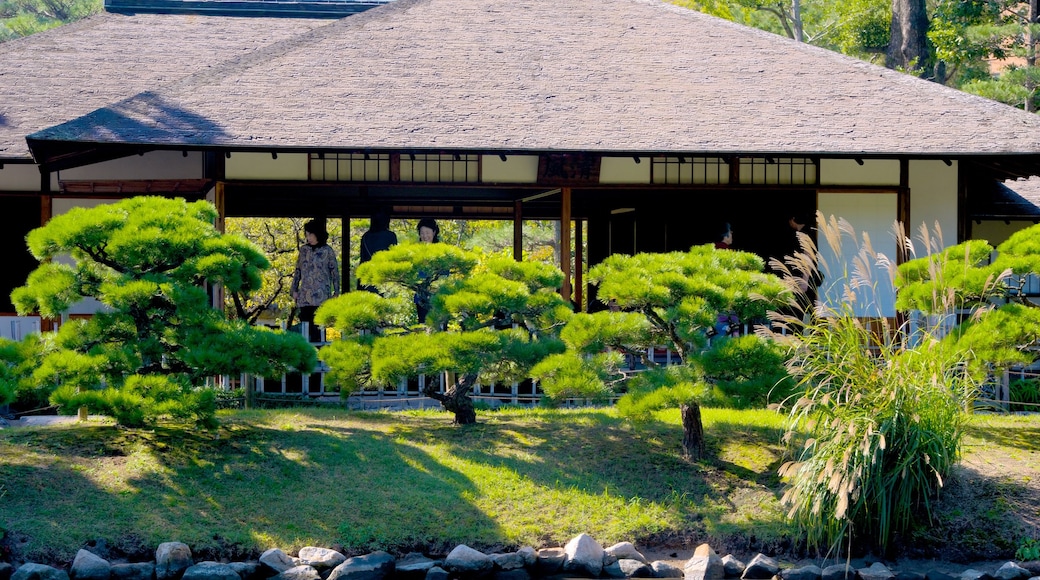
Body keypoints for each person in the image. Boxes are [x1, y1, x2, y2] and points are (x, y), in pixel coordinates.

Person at [291, 218, 340, 342]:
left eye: (310, 234)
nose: (308, 238)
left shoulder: (327, 251)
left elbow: (335, 272)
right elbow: (298, 271)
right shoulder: (304, 250)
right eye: (307, 235)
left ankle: (319, 354)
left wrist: (337, 291)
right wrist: (294, 290)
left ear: (317, 233)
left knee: (319, 327)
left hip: (321, 295)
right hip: (305, 295)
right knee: (305, 327)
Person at [357, 209, 397, 292]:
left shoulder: (365, 237)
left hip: (368, 279)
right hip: (386, 280)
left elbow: (362, 261)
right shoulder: (391, 236)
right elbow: (394, 260)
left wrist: (359, 285)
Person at [413, 218, 440, 323]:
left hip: (437, 294)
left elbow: (445, 273)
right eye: (422, 233)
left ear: (434, 232)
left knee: (437, 324)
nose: (425, 236)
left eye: (427, 232)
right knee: (423, 323)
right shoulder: (415, 251)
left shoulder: (441, 250)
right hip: (421, 294)